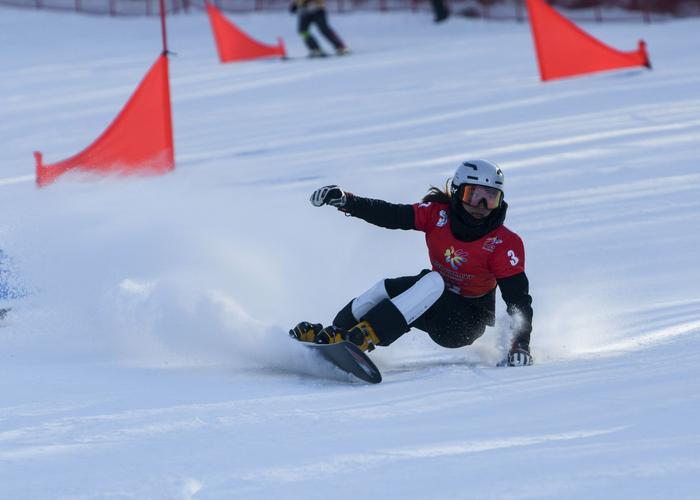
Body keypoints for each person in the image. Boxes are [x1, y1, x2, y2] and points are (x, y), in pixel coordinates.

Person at [290, 159, 534, 367]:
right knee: (387, 289)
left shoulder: (504, 243)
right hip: (432, 302)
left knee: (432, 280)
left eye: (490, 199)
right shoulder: (437, 215)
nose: (481, 207)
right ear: (459, 193)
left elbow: (518, 299)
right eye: (474, 196)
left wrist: (520, 344)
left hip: (464, 323)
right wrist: (347, 201)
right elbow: (391, 214)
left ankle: (360, 340)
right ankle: (335, 334)